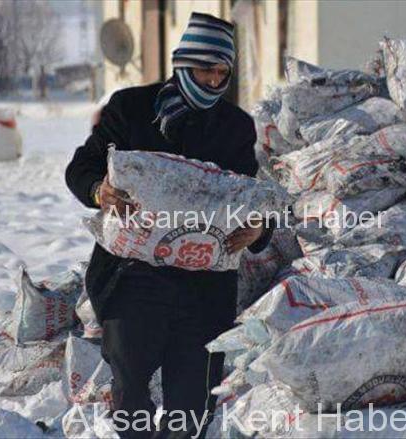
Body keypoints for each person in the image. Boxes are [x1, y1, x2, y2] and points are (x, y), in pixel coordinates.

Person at [65, 12, 273, 439]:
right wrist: (98, 190)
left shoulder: (235, 126)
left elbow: (250, 197)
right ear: (182, 64)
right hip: (132, 279)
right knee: (131, 392)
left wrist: (259, 230)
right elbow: (80, 167)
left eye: (222, 71)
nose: (215, 80)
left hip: (202, 288)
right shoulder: (131, 109)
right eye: (205, 69)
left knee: (193, 406)